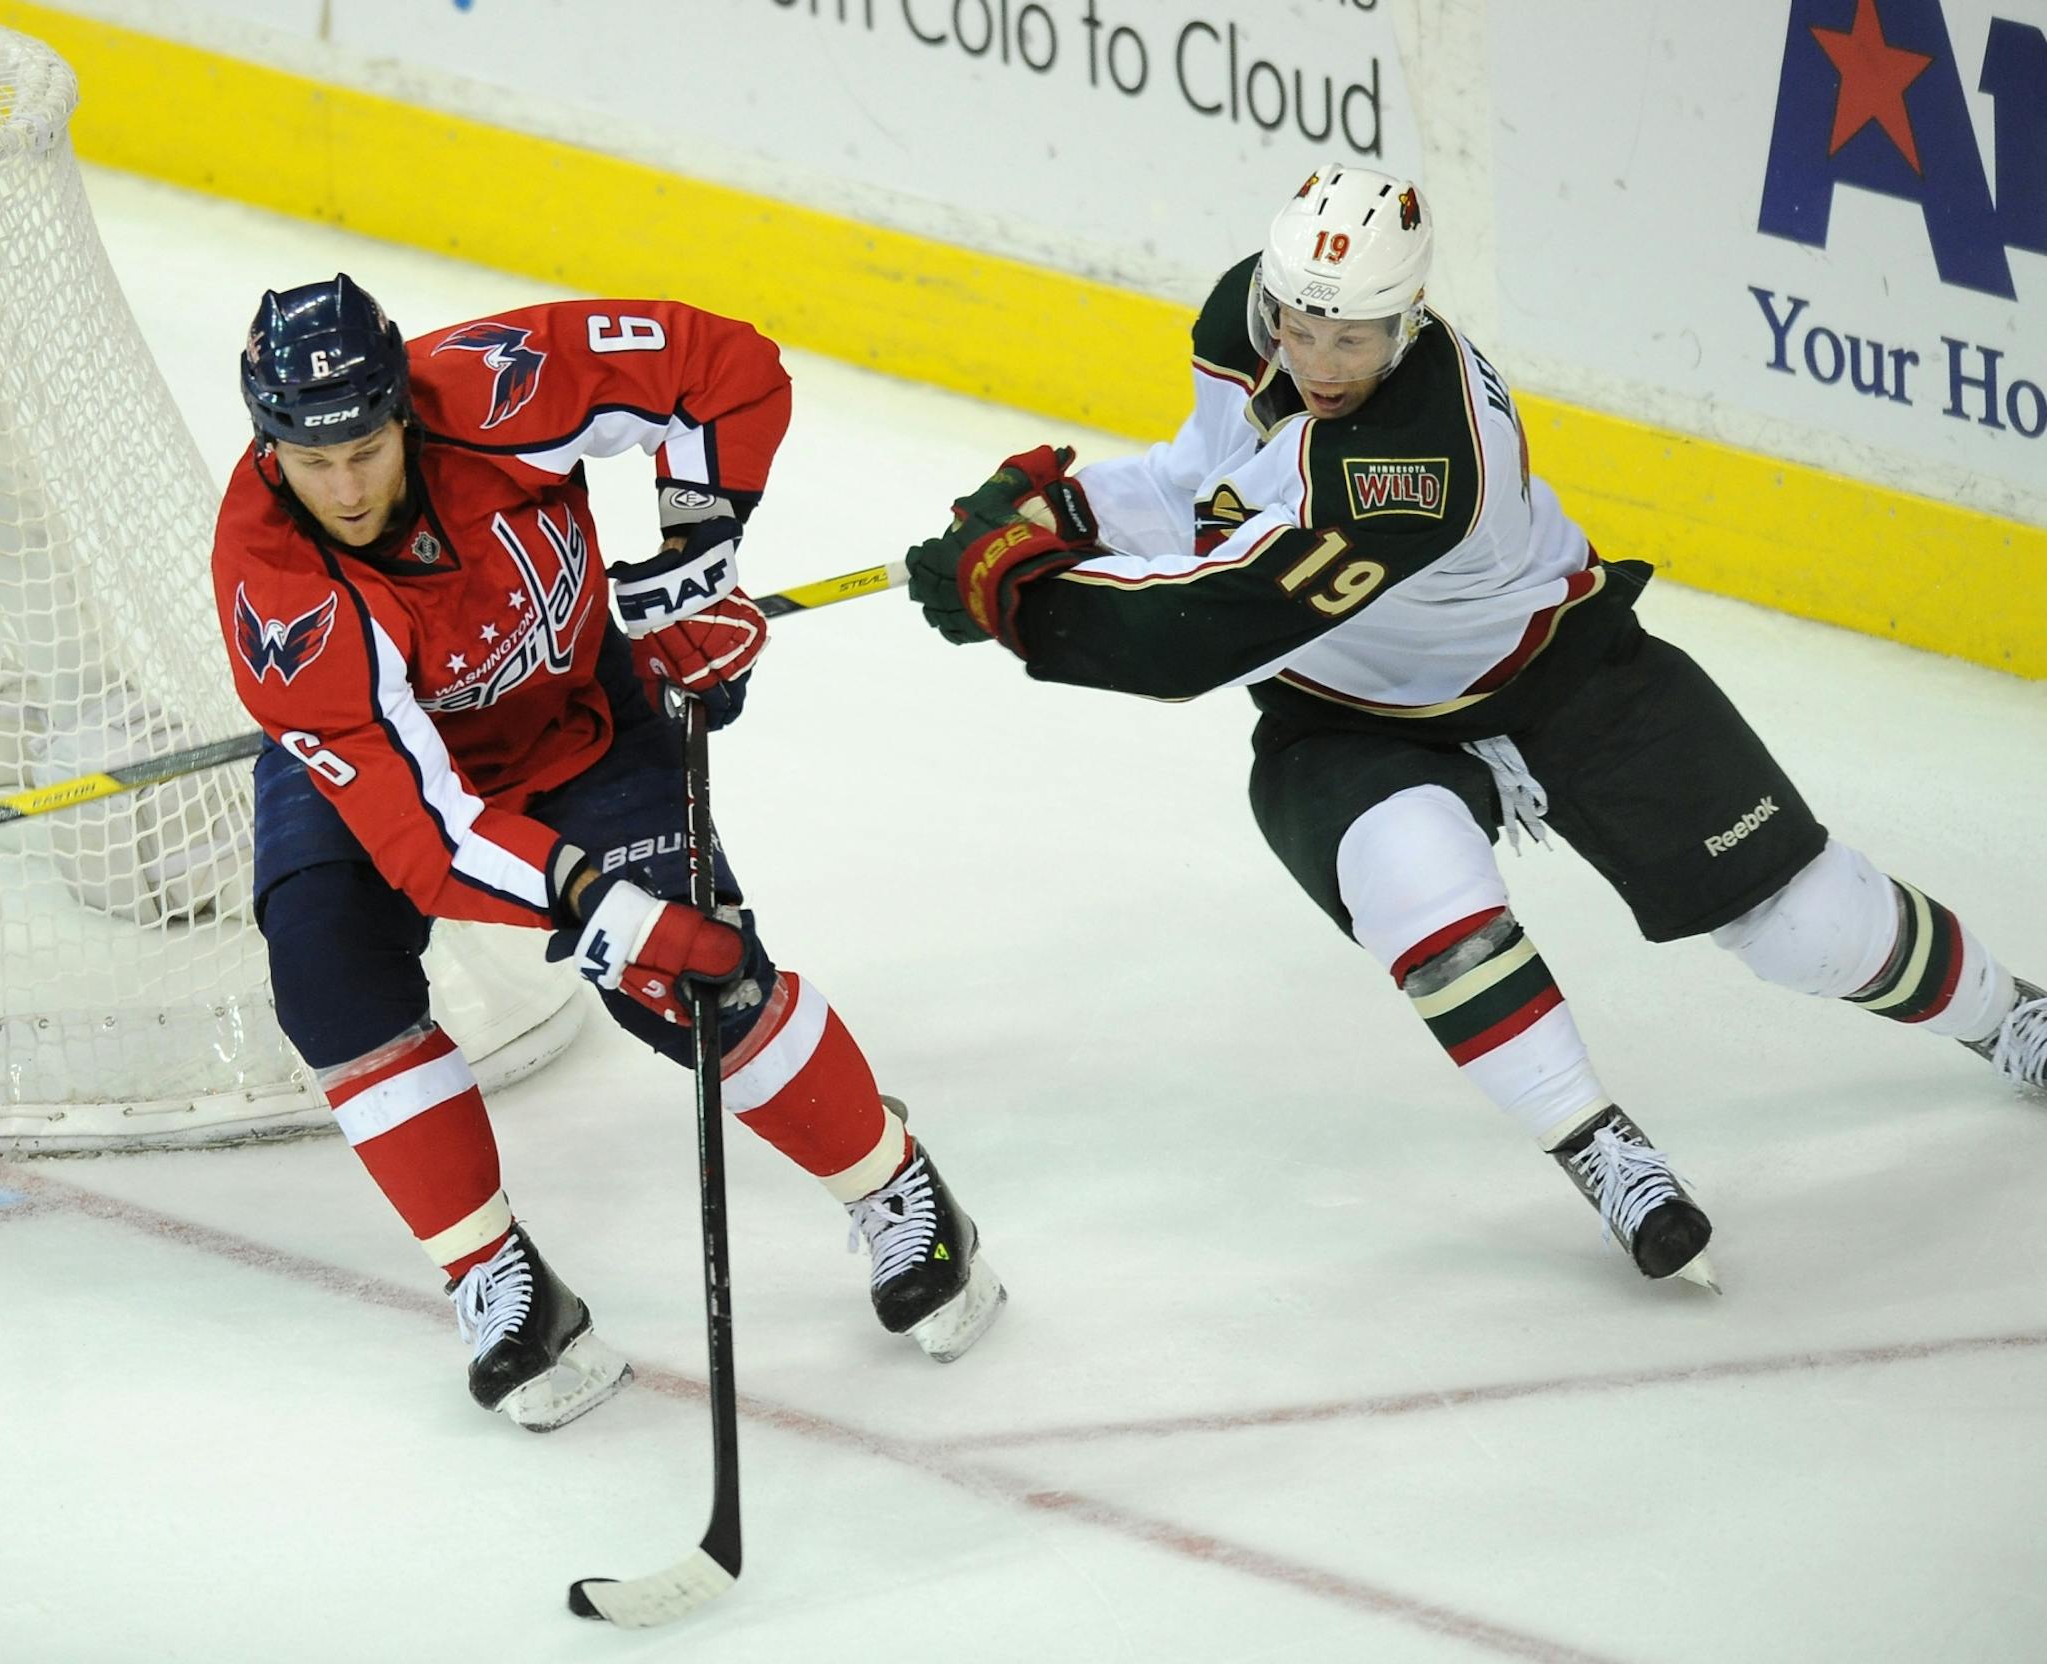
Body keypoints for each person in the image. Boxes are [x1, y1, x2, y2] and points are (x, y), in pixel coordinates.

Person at [900, 162, 2045, 1291]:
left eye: (1356, 338)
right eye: (1302, 327)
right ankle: (1597, 1142)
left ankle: (2008, 1016)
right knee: (1420, 887)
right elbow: (1211, 480)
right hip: (1347, 716)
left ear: (1408, 321)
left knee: (1809, 925)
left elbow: (1203, 627)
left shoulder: (1418, 458)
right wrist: (1067, 508)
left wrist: (1021, 599)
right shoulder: (1251, 318)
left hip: (1560, 674)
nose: (1323, 361)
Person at [214, 276, 1004, 1429]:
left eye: (367, 450)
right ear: (268, 441)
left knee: (698, 989)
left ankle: (899, 1187)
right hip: (390, 769)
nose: (342, 487)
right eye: (308, 458)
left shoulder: (495, 380)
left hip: (581, 720)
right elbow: (433, 840)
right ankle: (497, 1278)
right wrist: (606, 905)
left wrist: (698, 547)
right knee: (328, 977)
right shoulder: (276, 589)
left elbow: (723, 365)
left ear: (402, 411)